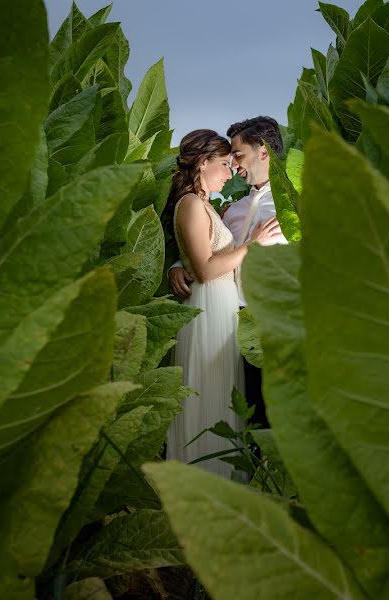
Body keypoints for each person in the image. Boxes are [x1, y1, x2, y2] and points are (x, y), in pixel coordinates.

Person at [163, 129, 281, 478]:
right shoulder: (230, 208)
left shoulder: (290, 205)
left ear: (264, 153)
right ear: (203, 163)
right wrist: (176, 266)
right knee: (219, 399)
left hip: (266, 322)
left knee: (255, 411)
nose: (233, 171)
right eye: (227, 163)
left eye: (238, 157)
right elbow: (204, 258)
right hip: (222, 314)